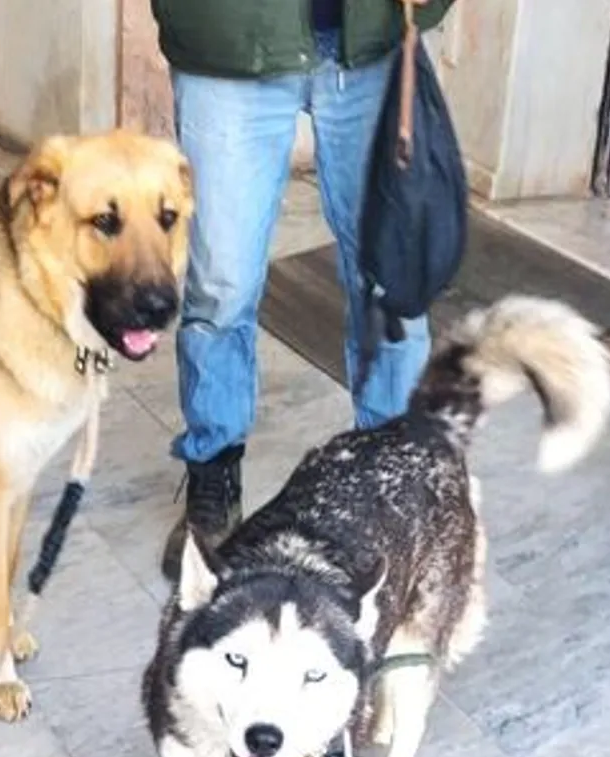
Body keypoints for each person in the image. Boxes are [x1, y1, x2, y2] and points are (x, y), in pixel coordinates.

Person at [153, 0, 456, 579]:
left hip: (373, 39)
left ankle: (390, 481)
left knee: (390, 279)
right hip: (229, 43)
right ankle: (213, 470)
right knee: (221, 284)